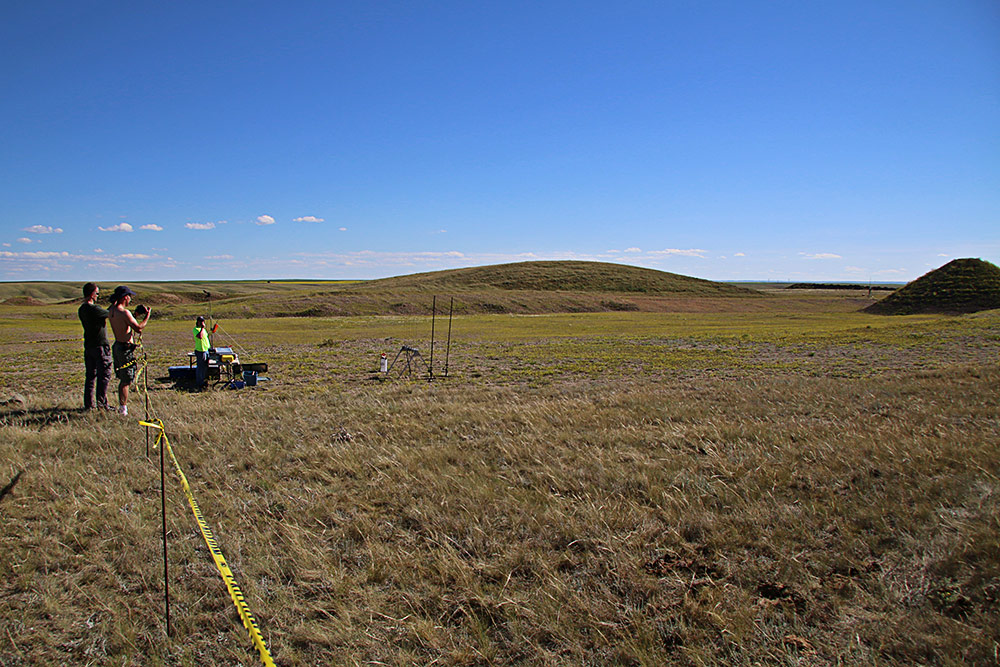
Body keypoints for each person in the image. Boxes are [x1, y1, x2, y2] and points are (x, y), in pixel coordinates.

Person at [108, 285, 151, 416]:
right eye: (129, 297)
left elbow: (124, 322)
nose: (130, 299)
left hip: (117, 346)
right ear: (125, 297)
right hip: (125, 348)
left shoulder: (111, 310)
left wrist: (135, 315)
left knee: (123, 378)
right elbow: (138, 328)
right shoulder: (124, 313)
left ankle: (122, 406)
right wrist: (147, 316)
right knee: (126, 380)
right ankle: (123, 409)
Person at [78, 282, 112, 410]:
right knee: (104, 376)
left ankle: (89, 404)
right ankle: (102, 404)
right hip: (100, 346)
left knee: (90, 377)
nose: (97, 296)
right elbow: (109, 314)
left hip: (89, 346)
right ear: (92, 294)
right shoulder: (94, 309)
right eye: (97, 293)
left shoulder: (82, 309)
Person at [193, 315, 211, 389]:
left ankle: (204, 380)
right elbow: (199, 337)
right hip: (200, 350)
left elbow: (206, 336)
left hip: (206, 349)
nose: (202, 323)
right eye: (201, 321)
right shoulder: (196, 329)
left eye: (203, 321)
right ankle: (199, 382)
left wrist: (212, 332)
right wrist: (202, 328)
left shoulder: (203, 330)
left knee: (205, 366)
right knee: (200, 367)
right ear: (198, 322)